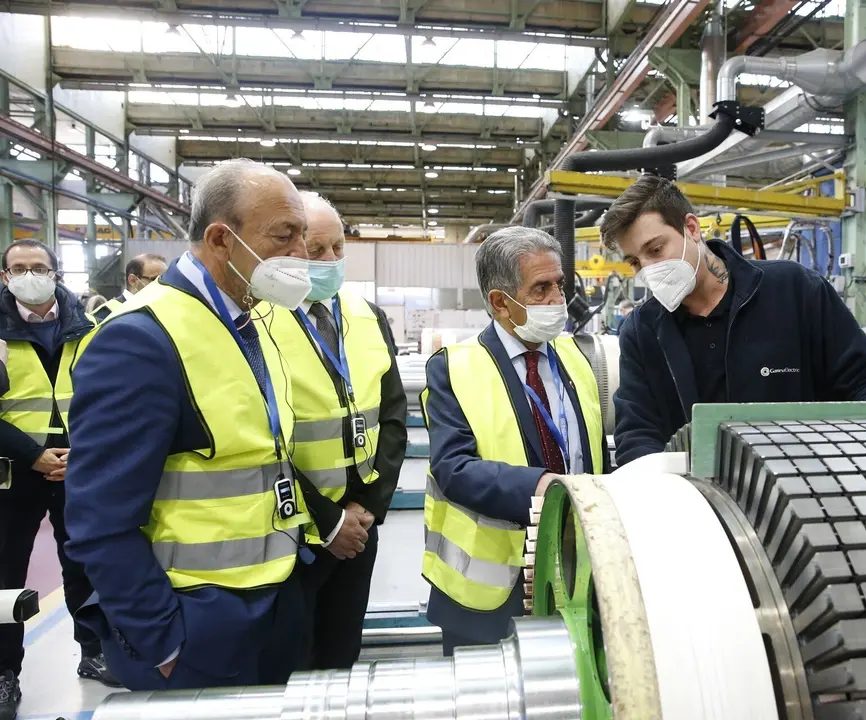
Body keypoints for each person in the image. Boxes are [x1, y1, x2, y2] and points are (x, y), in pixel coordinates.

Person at [63, 159, 334, 691]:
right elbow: (99, 519)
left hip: (273, 599)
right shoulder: (141, 339)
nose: (302, 254)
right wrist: (163, 641)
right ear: (221, 239)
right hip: (197, 621)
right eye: (285, 235)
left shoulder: (252, 319)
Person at [600, 175, 866, 466]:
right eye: (635, 262)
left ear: (691, 228)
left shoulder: (794, 291)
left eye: (655, 250)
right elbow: (637, 435)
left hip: (806, 486)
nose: (648, 269)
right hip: (697, 497)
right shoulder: (641, 331)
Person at [421, 226, 609, 656]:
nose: (557, 299)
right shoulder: (454, 367)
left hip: (576, 574)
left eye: (559, 284)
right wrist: (543, 488)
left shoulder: (575, 359)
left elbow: (594, 454)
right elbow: (454, 468)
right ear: (500, 302)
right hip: (488, 595)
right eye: (541, 289)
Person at [264, 192, 407, 670]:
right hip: (294, 529)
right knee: (292, 660)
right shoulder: (260, 321)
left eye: (338, 248)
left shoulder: (367, 315)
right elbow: (262, 438)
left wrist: (369, 507)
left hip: (360, 526)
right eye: (316, 249)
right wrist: (329, 522)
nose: (329, 260)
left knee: (342, 652)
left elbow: (393, 415)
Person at [0, 240, 117, 720]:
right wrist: (33, 455)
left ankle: (94, 650)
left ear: (56, 272)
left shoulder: (91, 326)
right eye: (18, 268)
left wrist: (83, 451)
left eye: (39, 267)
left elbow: (111, 395)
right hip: (12, 471)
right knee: (5, 578)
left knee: (86, 565)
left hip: (79, 466)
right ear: (4, 276)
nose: (29, 276)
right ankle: (4, 672)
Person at [92, 253, 168, 321]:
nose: (163, 284)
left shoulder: (162, 310)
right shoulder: (106, 314)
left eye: (165, 279)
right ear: (133, 280)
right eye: (155, 279)